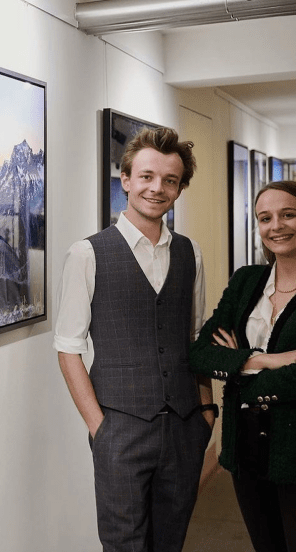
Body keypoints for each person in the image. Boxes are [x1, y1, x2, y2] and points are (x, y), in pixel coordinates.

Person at [54, 127, 216, 552]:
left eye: (169, 180)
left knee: (170, 541)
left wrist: (206, 411)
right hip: (120, 430)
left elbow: (195, 337)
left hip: (185, 426)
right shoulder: (87, 254)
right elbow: (68, 349)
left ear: (179, 189)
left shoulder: (191, 253)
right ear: (125, 180)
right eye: (146, 176)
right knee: (123, 543)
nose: (157, 188)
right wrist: (100, 428)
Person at [189, 180, 296, 552]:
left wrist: (236, 375)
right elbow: (201, 353)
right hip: (245, 449)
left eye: (288, 215)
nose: (276, 226)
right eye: (265, 218)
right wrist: (262, 360)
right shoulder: (246, 280)